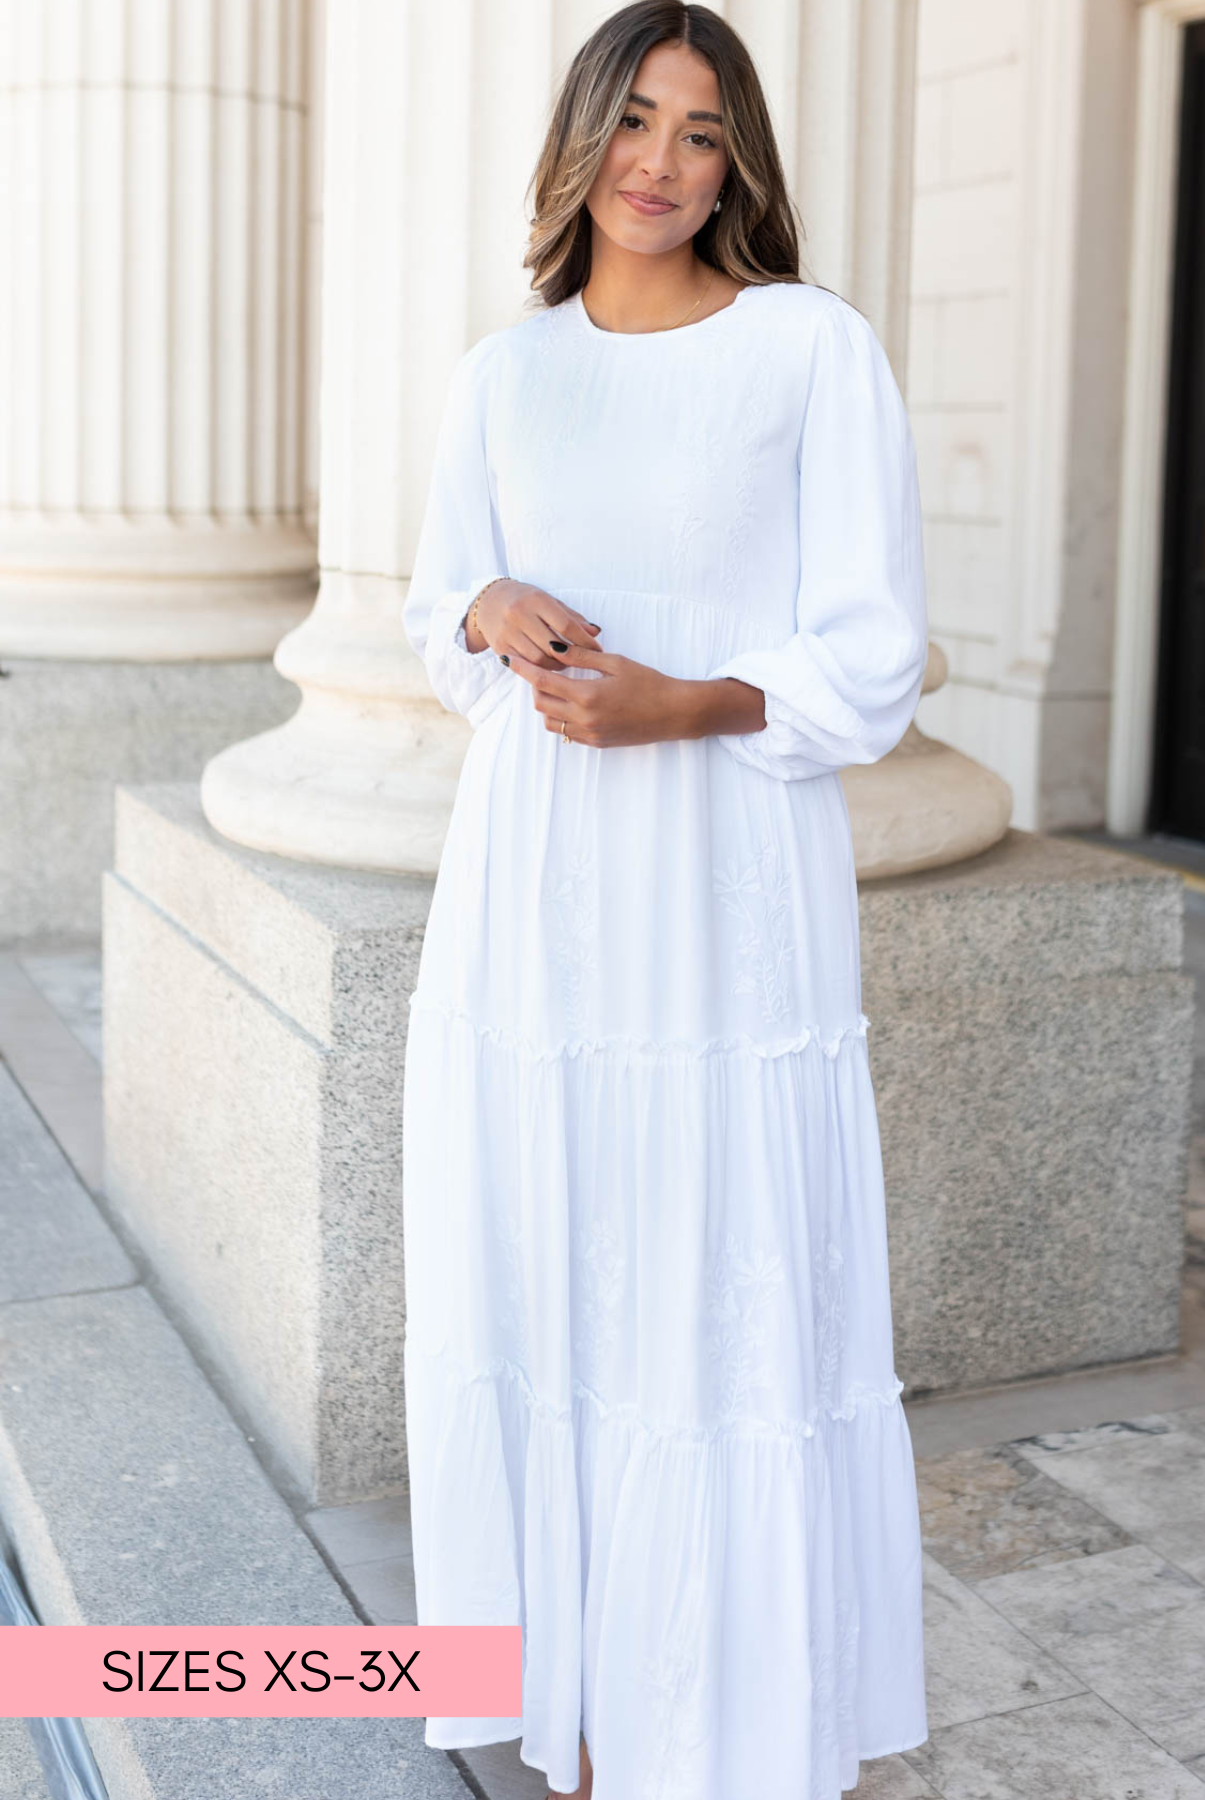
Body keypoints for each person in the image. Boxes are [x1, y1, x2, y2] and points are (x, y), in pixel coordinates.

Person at [400, 4, 930, 1795]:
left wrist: (679, 703)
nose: (659, 161)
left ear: (740, 166)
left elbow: (873, 653)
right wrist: (486, 611)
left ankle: (724, 1717)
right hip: (533, 889)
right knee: (550, 1266)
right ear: (579, 136)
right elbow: (436, 615)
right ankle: (583, 1701)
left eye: (701, 132)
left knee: (716, 1284)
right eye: (634, 119)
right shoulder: (504, 371)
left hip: (720, 881)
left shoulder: (807, 350)